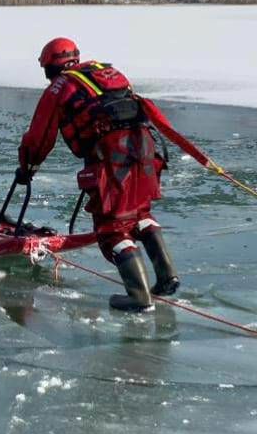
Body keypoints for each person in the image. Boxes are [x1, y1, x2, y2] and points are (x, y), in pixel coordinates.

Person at [16, 38, 180, 312]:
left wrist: (27, 168)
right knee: (139, 214)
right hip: (144, 150)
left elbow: (39, 137)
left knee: (111, 228)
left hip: (112, 156)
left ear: (48, 66)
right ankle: (166, 278)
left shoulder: (59, 88)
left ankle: (139, 298)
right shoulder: (107, 72)